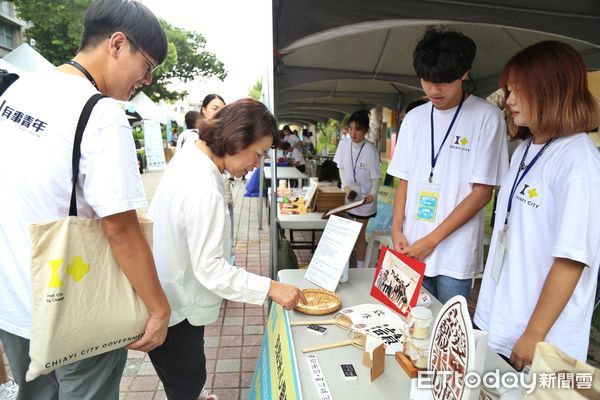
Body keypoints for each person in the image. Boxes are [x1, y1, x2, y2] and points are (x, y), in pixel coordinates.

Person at [0, 0, 171, 399]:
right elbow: (120, 230)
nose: (146, 80)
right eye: (147, 66)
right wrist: (158, 309)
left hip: (12, 304)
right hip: (73, 310)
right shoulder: (99, 113)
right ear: (116, 45)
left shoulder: (13, 90)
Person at [147, 99, 307, 400]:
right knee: (187, 381)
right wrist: (271, 287)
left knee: (184, 379)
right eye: (258, 154)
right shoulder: (205, 188)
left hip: (164, 292)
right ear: (238, 138)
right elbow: (211, 268)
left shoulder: (190, 154)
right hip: (177, 306)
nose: (256, 165)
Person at [474, 41, 600, 369]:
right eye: (508, 89)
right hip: (499, 318)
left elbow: (572, 260)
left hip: (539, 340)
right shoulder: (525, 150)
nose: (510, 100)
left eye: (519, 90)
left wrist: (534, 334)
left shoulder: (578, 158)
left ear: (551, 90)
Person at [387, 27, 508, 304]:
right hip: (409, 245)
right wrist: (396, 230)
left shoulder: (487, 117)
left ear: (465, 72)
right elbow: (403, 179)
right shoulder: (415, 118)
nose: (433, 89)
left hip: (454, 253)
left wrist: (429, 242)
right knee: (407, 329)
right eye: (427, 79)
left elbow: (481, 193)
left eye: (444, 81)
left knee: (447, 336)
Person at [333, 110, 381, 274]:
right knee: (345, 233)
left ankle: (360, 269)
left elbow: (375, 178)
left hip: (364, 200)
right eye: (350, 128)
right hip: (348, 197)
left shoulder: (370, 150)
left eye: (358, 129)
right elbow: (341, 167)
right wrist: (345, 186)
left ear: (366, 130)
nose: (353, 133)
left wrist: (372, 195)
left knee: (360, 235)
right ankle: (343, 267)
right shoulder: (343, 144)